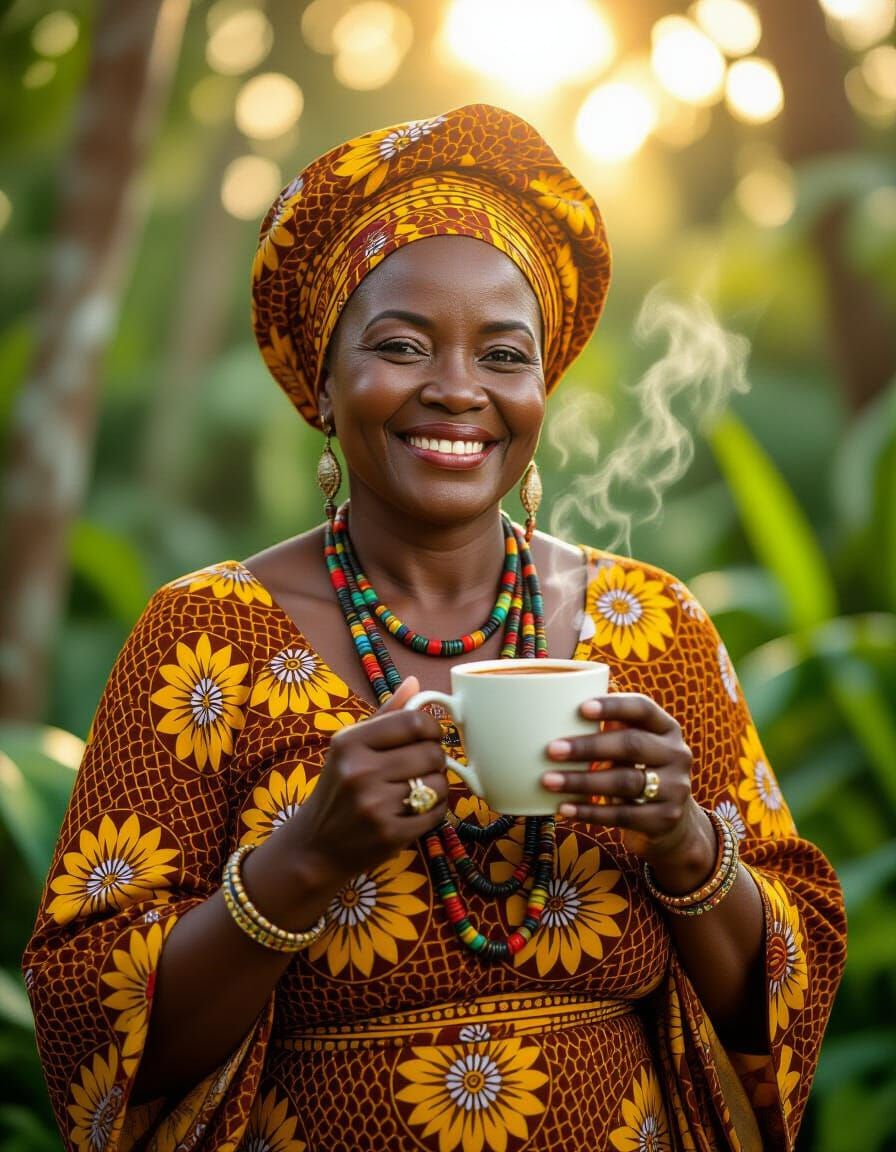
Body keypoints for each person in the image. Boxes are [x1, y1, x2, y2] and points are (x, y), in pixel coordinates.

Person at [24, 103, 845, 1152]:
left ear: (540, 388)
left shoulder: (653, 631)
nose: (457, 389)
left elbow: (785, 995)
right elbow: (88, 1035)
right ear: (323, 383)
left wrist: (686, 847)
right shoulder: (202, 639)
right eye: (401, 346)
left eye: (503, 355)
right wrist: (306, 859)